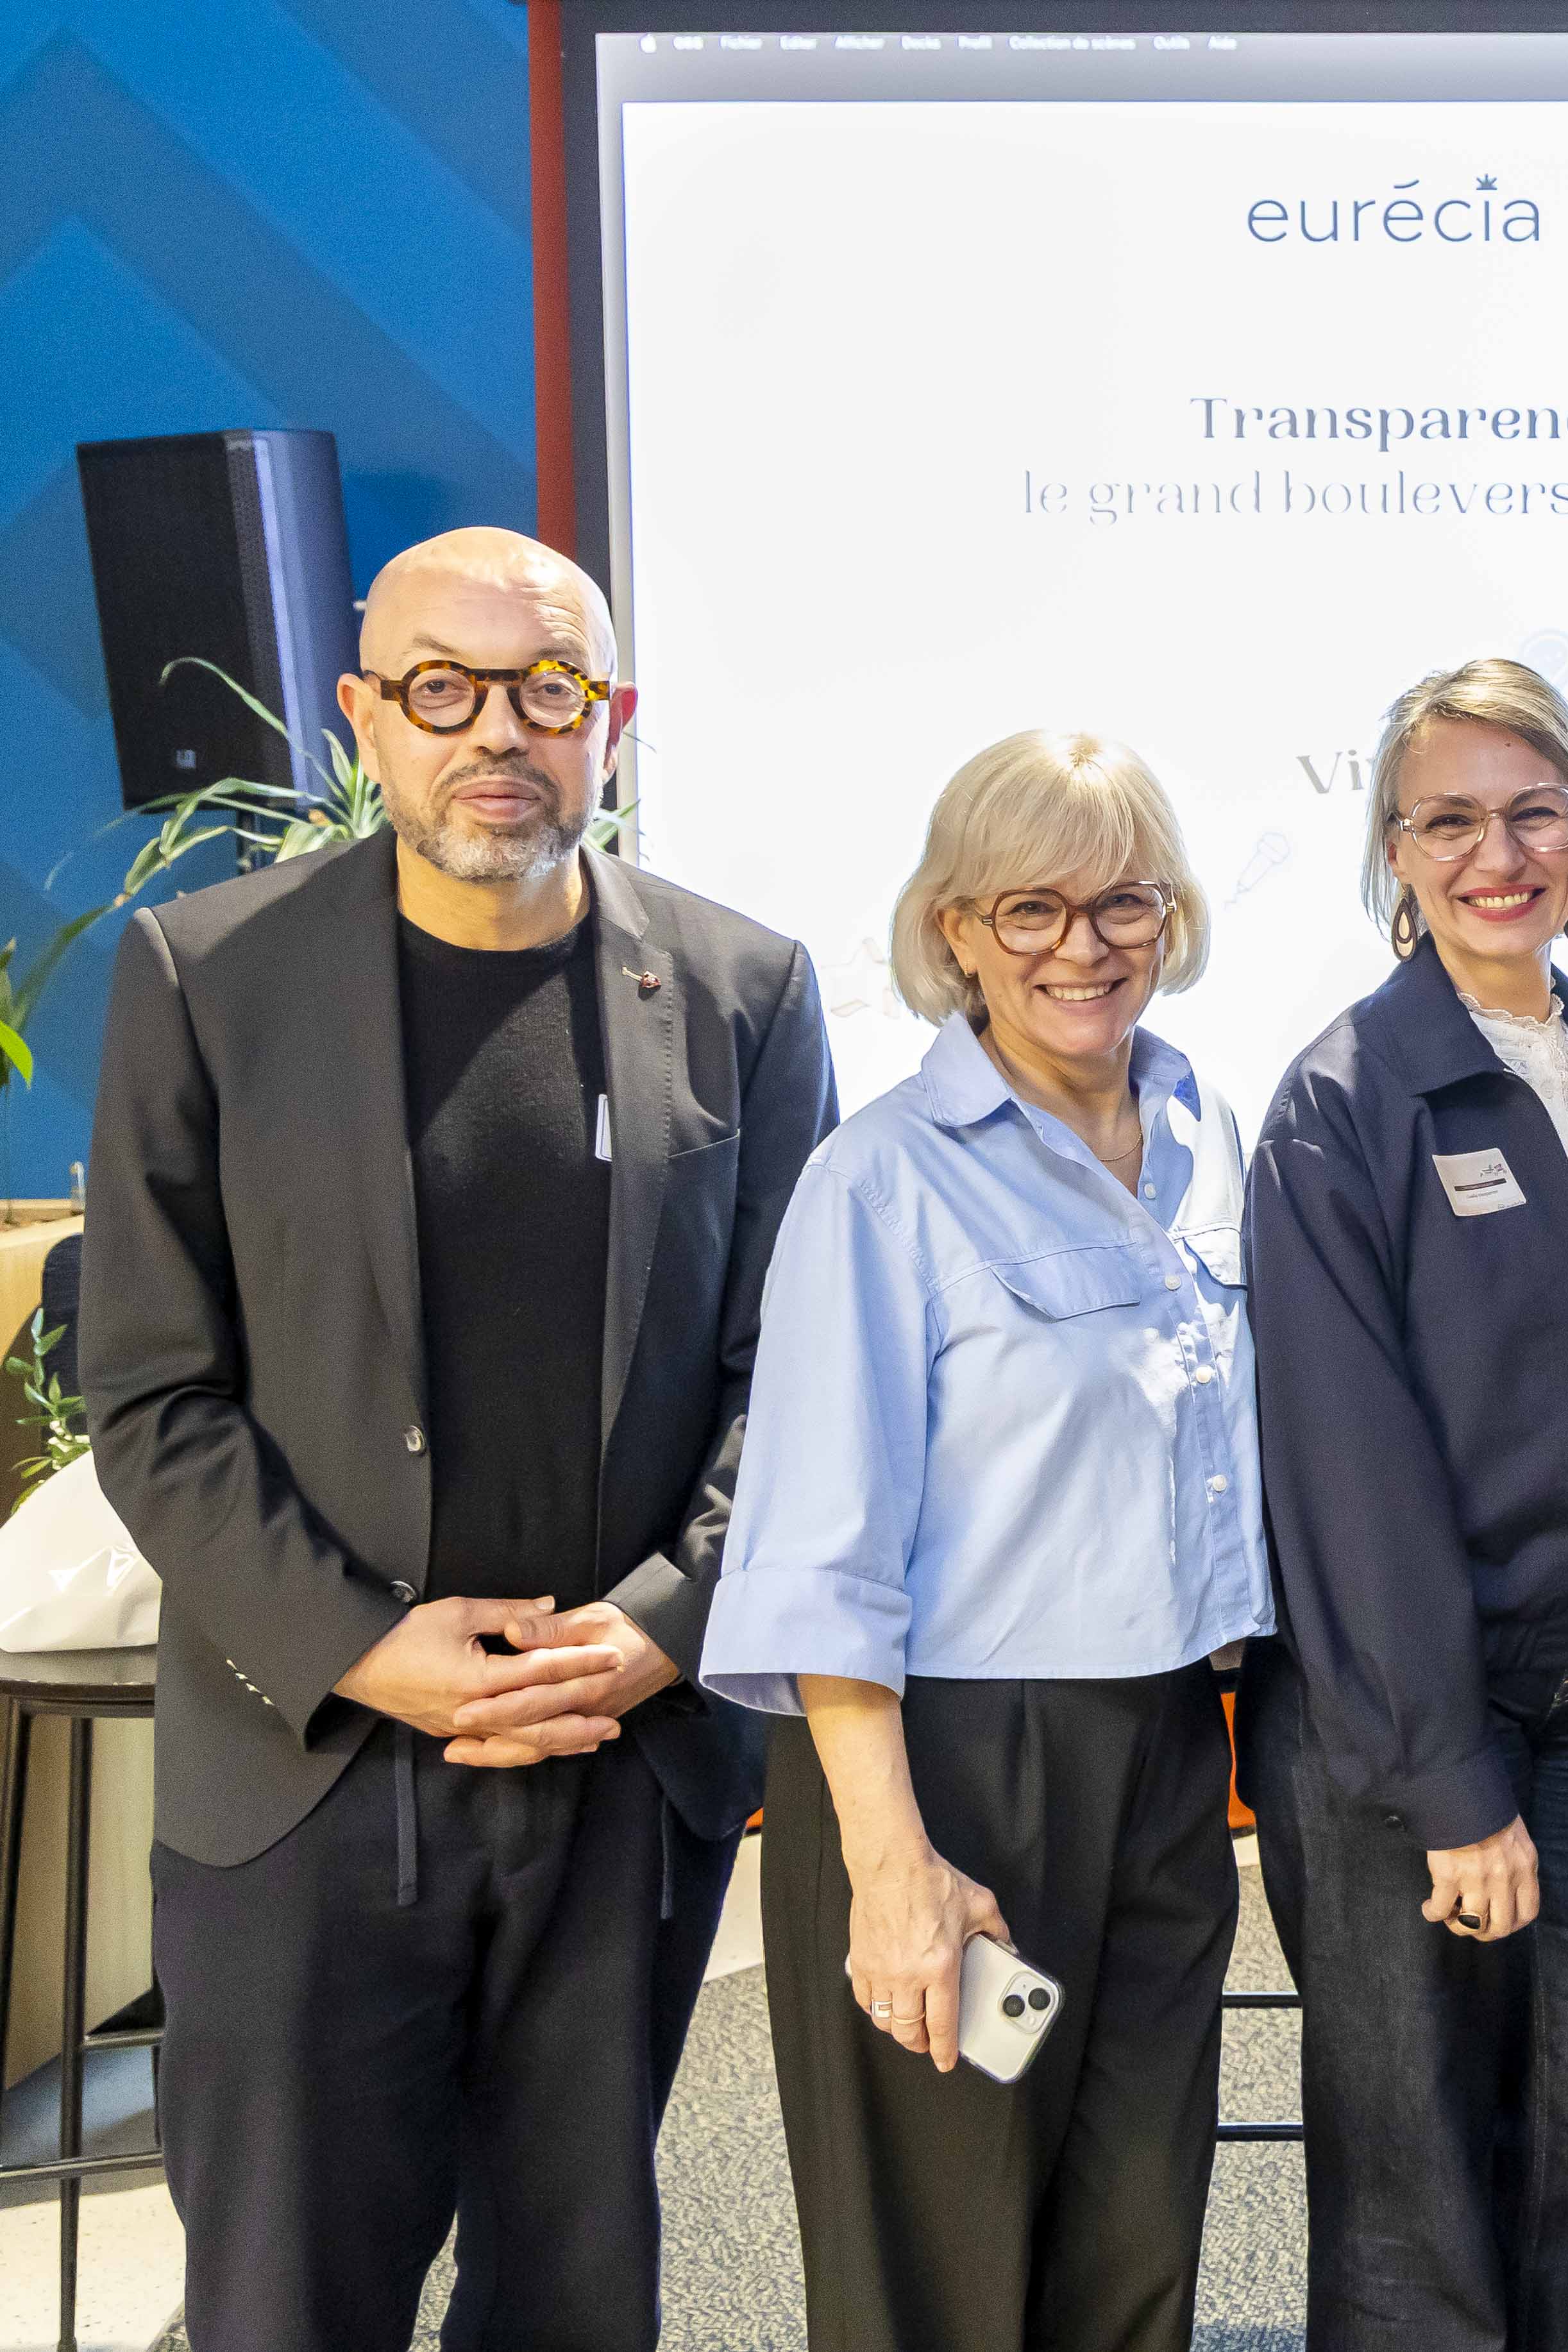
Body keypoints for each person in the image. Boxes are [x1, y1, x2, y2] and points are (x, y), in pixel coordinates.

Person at [83, 525, 837, 2349]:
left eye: (543, 690)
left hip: (616, 1763)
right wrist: (366, 1646)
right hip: (309, 1772)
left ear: (612, 721)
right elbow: (152, 1392)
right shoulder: (205, 975)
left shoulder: (744, 992)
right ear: (365, 716)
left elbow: (802, 1384)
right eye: (441, 687)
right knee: (284, 2302)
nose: (493, 730)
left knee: (577, 2300)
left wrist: (667, 1620)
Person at [697, 731, 1268, 2351]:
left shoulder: (1202, 1129)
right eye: (1030, 908)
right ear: (953, 928)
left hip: (1160, 1756)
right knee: (947, 2245)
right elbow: (816, 1554)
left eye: (1122, 902)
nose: (1082, 946)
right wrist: (898, 1874)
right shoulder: (880, 1181)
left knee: (1133, 2221)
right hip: (953, 1772)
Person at [1241, 657, 1568, 2352]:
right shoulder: (1341, 1103)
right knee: (1414, 2178)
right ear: (1391, 852)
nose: (1495, 851)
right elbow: (1348, 1473)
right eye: (1448, 818)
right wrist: (1448, 1780)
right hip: (1398, 1715)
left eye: (1532, 812)